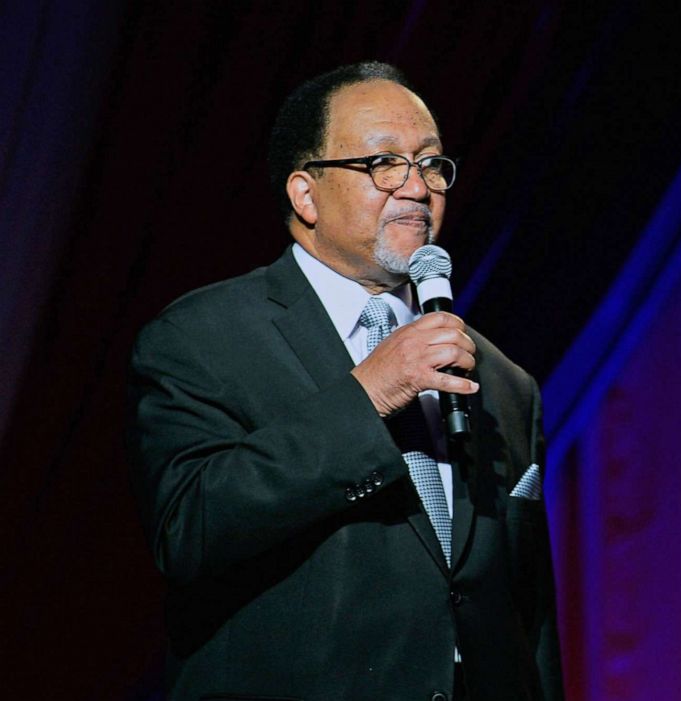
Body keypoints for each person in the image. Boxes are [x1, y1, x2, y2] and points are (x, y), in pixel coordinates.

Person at [126, 61, 564, 701]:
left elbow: (530, 613)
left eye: (432, 165)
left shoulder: (503, 380)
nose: (417, 187)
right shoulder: (202, 336)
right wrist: (368, 397)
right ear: (305, 194)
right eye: (383, 164)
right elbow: (188, 528)